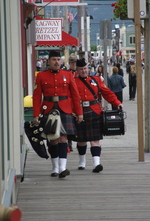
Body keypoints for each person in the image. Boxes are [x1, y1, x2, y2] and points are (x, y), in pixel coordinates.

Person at [33, 50, 83, 178]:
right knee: (53, 139)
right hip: (48, 108)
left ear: (61, 61)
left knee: (63, 138)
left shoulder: (68, 75)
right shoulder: (41, 76)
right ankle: (55, 167)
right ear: (48, 61)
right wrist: (36, 114)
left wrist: (79, 113)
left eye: (58, 59)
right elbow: (37, 97)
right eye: (54, 60)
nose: (56, 62)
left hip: (65, 109)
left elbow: (75, 96)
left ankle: (62, 168)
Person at [74, 58, 123, 173]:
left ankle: (97, 163)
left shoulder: (96, 80)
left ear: (88, 68)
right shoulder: (73, 81)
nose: (84, 71)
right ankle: (82, 162)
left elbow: (107, 93)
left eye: (85, 69)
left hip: (95, 111)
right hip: (79, 112)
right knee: (81, 140)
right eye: (81, 69)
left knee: (95, 140)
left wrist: (117, 103)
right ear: (77, 70)